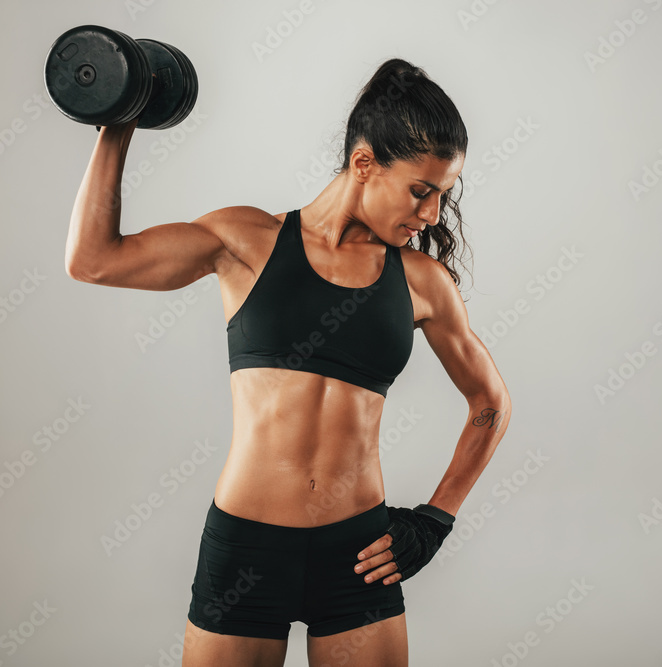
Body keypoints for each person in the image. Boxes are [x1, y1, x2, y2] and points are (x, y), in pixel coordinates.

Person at [65, 57, 512, 667]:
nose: (432, 215)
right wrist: (118, 121)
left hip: (357, 555)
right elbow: (95, 260)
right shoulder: (246, 242)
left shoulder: (422, 283)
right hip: (246, 547)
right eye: (420, 190)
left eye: (442, 196)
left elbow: (490, 402)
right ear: (363, 164)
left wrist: (437, 518)